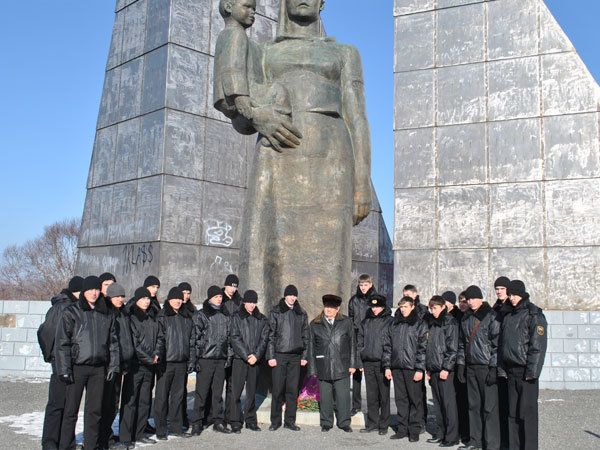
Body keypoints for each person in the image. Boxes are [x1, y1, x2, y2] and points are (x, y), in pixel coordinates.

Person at [235, 0, 372, 319]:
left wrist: (362, 181)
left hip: (331, 159)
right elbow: (240, 119)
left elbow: (357, 117)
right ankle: (270, 336)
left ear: (323, 3)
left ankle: (327, 339)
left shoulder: (345, 53)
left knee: (331, 259)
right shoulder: (262, 52)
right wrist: (257, 117)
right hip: (277, 155)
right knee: (268, 248)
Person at [54, 276, 119, 450]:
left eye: (96, 289)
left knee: (94, 411)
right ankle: (66, 446)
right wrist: (64, 368)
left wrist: (113, 366)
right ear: (84, 291)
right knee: (70, 411)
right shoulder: (71, 312)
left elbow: (113, 343)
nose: (93, 293)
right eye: (90, 289)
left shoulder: (106, 313)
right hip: (77, 367)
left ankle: (91, 445)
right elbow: (62, 343)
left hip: (98, 369)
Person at [498, 280, 547, 450]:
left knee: (527, 413)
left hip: (526, 372)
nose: (511, 298)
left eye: (515, 295)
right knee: (512, 414)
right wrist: (502, 369)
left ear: (522, 294)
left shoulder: (534, 314)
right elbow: (503, 345)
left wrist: (532, 372)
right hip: (511, 371)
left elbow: (537, 346)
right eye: (510, 295)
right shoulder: (508, 315)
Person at [38, 275, 83, 450]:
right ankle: (50, 442)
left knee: (68, 405)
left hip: (71, 361)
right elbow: (46, 332)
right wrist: (53, 356)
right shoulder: (62, 307)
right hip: (61, 361)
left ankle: (63, 441)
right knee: (57, 404)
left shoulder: (74, 306)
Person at [457, 285, 501, 450]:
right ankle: (475, 441)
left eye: (474, 298)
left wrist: (493, 367)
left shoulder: (491, 316)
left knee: (489, 407)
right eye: (468, 299)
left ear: (480, 298)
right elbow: (461, 344)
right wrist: (461, 364)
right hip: (471, 367)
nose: (471, 302)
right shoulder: (466, 318)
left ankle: (491, 444)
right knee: (473, 405)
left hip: (486, 366)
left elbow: (496, 345)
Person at [382, 296, 427, 442]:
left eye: (406, 307)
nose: (403, 310)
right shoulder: (394, 324)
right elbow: (387, 346)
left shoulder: (419, 324)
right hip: (397, 367)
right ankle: (402, 429)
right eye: (401, 307)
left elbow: (423, 348)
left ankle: (414, 430)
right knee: (401, 400)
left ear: (412, 307)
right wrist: (387, 366)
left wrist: (419, 369)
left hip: (412, 368)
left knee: (415, 400)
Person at [119, 287, 160, 449]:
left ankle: (140, 433)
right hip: (135, 365)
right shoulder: (131, 317)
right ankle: (125, 437)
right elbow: (134, 343)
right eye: (143, 298)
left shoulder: (152, 317)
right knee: (130, 402)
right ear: (136, 300)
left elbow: (160, 337)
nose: (146, 301)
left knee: (144, 401)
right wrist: (149, 358)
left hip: (150, 366)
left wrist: (156, 354)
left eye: (148, 299)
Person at [308, 294, 355, 433]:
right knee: (325, 397)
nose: (328, 309)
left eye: (332, 307)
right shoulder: (315, 324)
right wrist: (312, 369)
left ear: (338, 309)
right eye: (326, 306)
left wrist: (353, 364)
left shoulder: (346, 322)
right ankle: (326, 422)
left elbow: (353, 344)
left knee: (343, 396)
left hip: (342, 365)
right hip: (323, 365)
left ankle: (344, 422)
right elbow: (311, 348)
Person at [154, 287, 196, 440]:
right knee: (162, 397)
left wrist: (191, 359)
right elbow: (159, 338)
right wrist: (158, 357)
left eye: (180, 299)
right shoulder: (162, 316)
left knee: (178, 397)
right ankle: (160, 429)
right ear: (169, 299)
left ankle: (176, 428)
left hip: (181, 362)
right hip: (166, 363)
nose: (178, 301)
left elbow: (191, 341)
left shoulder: (186, 317)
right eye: (175, 299)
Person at [267, 284, 309, 431]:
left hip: (295, 357)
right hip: (280, 355)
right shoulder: (276, 311)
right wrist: (271, 356)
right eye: (290, 295)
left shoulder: (301, 313)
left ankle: (290, 421)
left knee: (292, 390)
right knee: (277, 390)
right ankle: (275, 421)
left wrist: (304, 356)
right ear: (285, 296)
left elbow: (305, 336)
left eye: (294, 295)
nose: (292, 298)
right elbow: (271, 335)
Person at [192, 286, 233, 435]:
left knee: (217, 393)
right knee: (202, 393)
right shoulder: (201, 315)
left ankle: (218, 421)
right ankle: (197, 422)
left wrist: (228, 356)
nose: (219, 299)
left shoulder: (225, 315)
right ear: (210, 298)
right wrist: (197, 357)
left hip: (220, 359)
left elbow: (229, 338)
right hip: (206, 359)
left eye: (220, 296)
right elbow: (195, 337)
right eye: (216, 297)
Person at [99, 283, 134, 450]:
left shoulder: (123, 313)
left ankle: (108, 435)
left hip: (120, 365)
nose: (120, 299)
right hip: (109, 366)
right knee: (105, 404)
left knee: (114, 403)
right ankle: (103, 439)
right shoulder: (106, 313)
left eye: (122, 296)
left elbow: (126, 341)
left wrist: (126, 361)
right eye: (117, 296)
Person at [230, 290, 270, 433]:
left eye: (254, 302)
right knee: (236, 392)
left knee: (252, 392)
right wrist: (247, 355)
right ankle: (235, 421)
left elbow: (264, 340)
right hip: (240, 359)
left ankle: (250, 420)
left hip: (255, 361)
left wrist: (256, 356)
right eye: (249, 302)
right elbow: (234, 337)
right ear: (244, 302)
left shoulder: (262, 319)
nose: (252, 305)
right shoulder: (236, 317)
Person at [357, 293, 393, 435]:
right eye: (372, 307)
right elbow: (360, 341)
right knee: (371, 395)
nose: (374, 309)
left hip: (382, 362)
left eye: (377, 306)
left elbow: (391, 342)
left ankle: (384, 425)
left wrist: (388, 363)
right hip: (368, 361)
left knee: (384, 395)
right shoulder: (365, 322)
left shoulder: (390, 321)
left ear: (383, 307)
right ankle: (372, 423)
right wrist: (361, 357)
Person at [425, 295, 460, 447]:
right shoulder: (431, 323)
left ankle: (452, 436)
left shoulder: (449, 322)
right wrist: (428, 368)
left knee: (448, 404)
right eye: (431, 309)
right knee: (438, 405)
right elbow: (428, 347)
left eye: (435, 308)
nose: (433, 311)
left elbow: (452, 348)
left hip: (445, 369)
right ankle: (440, 433)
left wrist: (447, 367)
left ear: (443, 307)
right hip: (433, 368)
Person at [347, 273, 377, 416]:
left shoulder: (376, 299)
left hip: (372, 339)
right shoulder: (354, 300)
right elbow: (351, 320)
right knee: (356, 375)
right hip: (357, 338)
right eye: (361, 285)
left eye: (366, 285)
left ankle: (375, 406)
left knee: (373, 375)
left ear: (370, 284)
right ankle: (356, 405)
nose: (363, 287)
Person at [493, 276, 512, 449]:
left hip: (507, 360)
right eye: (497, 289)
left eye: (502, 288)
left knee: (509, 403)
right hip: (496, 359)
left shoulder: (511, 308)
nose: (499, 291)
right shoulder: (496, 307)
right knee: (500, 402)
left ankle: (508, 440)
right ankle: (501, 438)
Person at [222, 274, 243, 424]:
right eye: (230, 286)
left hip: (234, 348)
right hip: (220, 348)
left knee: (232, 385)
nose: (233, 289)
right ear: (225, 285)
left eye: (235, 287)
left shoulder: (239, 302)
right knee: (216, 386)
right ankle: (213, 416)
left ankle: (230, 415)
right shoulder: (218, 299)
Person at [178, 281, 197, 431]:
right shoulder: (174, 309)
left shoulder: (192, 310)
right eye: (183, 293)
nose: (185, 296)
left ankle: (182, 417)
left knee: (182, 389)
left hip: (186, 354)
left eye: (188, 293)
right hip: (175, 355)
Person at [455, 290, 470, 444]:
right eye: (460, 301)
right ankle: (461, 430)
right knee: (459, 399)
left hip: (469, 363)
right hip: (458, 363)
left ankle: (468, 432)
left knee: (468, 401)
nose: (462, 304)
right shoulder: (457, 317)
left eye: (465, 301)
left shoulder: (470, 317)